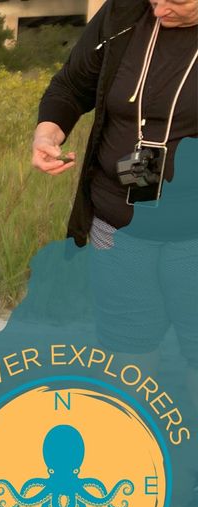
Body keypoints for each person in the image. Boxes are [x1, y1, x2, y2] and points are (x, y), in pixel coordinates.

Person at [32, 0, 198, 384]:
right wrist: (47, 133)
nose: (159, 10)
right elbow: (72, 85)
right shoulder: (124, 11)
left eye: (178, 1)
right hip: (117, 224)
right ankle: (138, 436)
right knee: (127, 344)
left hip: (192, 233)